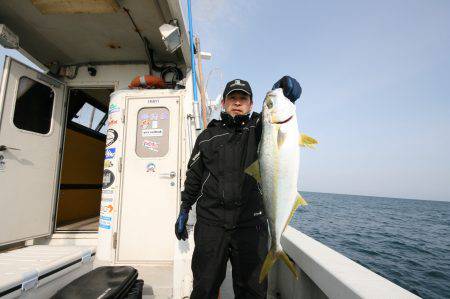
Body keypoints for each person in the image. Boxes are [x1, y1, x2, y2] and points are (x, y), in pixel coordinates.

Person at [175, 76, 302, 299]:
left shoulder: (261, 128)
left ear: (251, 105)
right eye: (232, 98)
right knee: (204, 287)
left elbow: (284, 107)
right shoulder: (207, 136)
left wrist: (287, 91)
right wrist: (185, 208)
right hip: (212, 223)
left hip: (250, 223)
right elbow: (194, 176)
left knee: (252, 290)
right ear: (223, 103)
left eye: (243, 98)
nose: (237, 102)